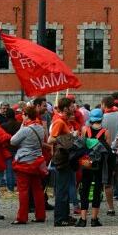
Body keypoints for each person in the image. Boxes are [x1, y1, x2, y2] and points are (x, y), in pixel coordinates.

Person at [9, 103, 48, 225]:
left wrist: (22, 127)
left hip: (24, 162)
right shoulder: (40, 128)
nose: (22, 117)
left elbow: (13, 141)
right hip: (37, 161)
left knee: (23, 190)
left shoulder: (25, 130)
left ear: (26, 115)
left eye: (23, 115)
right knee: (38, 190)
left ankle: (22, 217)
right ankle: (40, 215)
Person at [49, 96, 82, 227]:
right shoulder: (59, 122)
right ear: (65, 108)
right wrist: (70, 136)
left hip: (67, 158)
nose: (74, 107)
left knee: (65, 188)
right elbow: (51, 139)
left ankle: (65, 216)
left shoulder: (65, 121)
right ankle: (60, 219)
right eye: (71, 105)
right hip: (62, 158)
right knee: (62, 190)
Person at [78, 108, 110, 227]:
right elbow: (107, 150)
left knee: (84, 190)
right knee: (97, 190)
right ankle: (94, 219)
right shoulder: (106, 132)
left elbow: (81, 145)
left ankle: (82, 219)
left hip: (86, 164)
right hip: (99, 165)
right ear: (101, 119)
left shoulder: (85, 130)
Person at [101, 95, 118, 215]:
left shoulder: (101, 118)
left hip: (106, 152)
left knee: (108, 181)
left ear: (104, 105)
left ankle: (111, 208)